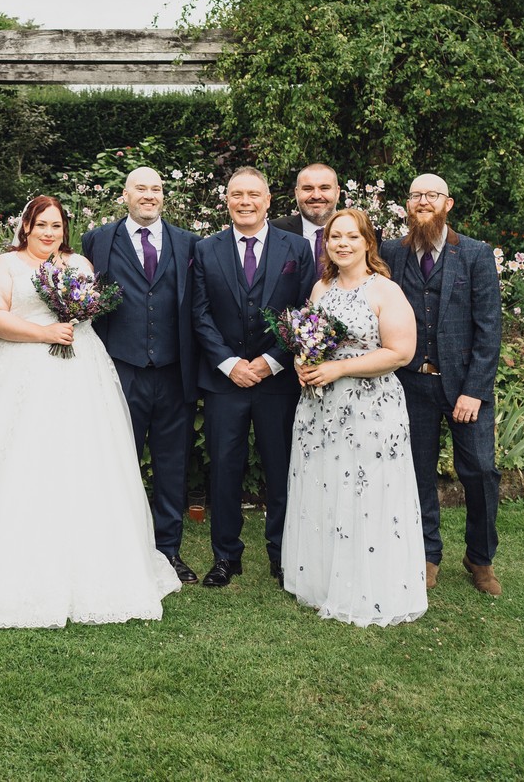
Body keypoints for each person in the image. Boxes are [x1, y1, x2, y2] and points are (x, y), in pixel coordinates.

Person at [0, 196, 180, 627]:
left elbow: (87, 315)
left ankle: (94, 561)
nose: (48, 233)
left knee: (84, 461)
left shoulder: (77, 264)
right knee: (18, 461)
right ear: (25, 227)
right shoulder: (6, 265)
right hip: (18, 372)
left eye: (56, 226)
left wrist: (69, 325)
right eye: (41, 224)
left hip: (80, 372)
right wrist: (44, 332)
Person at [282, 208, 427, 626]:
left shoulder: (385, 291)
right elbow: (308, 340)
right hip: (320, 408)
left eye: (351, 237)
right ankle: (326, 581)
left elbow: (400, 353)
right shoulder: (321, 288)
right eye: (334, 237)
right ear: (325, 244)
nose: (342, 244)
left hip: (370, 409)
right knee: (325, 487)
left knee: (366, 494)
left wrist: (339, 368)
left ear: (368, 243)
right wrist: (302, 363)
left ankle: (369, 588)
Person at [379, 174, 504, 595]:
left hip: (465, 386)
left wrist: (475, 389)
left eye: (432, 195)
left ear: (447, 204)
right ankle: (428, 554)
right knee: (416, 474)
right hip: (410, 384)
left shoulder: (475, 254)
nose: (423, 202)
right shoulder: (390, 253)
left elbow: (489, 329)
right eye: (416, 195)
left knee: (481, 471)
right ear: (408, 205)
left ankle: (480, 557)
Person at [191, 166, 314, 588]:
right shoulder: (206, 249)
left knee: (281, 470)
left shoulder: (296, 249)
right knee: (224, 469)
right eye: (236, 194)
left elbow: (303, 313)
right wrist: (229, 364)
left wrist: (271, 361)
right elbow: (200, 313)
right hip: (225, 382)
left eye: (253, 195)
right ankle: (226, 557)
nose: (245, 202)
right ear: (227, 201)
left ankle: (283, 556)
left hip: (276, 382)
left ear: (268, 201)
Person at [80, 166, 201, 584]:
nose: (149, 195)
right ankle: (116, 551)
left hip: (173, 372)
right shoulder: (98, 240)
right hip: (120, 370)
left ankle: (168, 552)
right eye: (141, 189)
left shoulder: (189, 243)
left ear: (163, 196)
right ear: (125, 195)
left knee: (172, 467)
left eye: (156, 189)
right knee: (115, 464)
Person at [270, 163, 341, 271]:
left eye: (324, 188)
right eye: (308, 189)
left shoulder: (358, 231)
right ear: (297, 193)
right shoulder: (274, 231)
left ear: (337, 192)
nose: (316, 196)